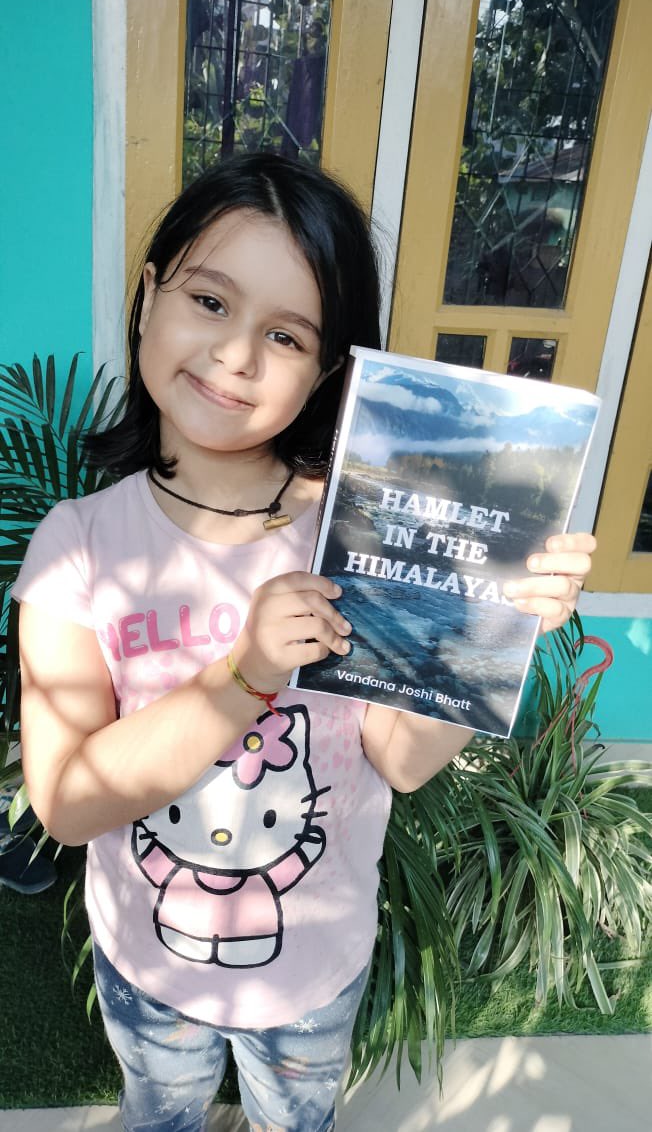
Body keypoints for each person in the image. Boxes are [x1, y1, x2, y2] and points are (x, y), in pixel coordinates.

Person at [13, 153, 596, 1132]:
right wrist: (245, 673)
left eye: (285, 334)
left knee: (296, 1120)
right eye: (209, 300)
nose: (236, 355)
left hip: (312, 970)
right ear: (149, 295)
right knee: (162, 1111)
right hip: (148, 960)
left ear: (328, 370)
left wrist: (495, 629)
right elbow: (69, 803)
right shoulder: (78, 546)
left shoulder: (360, 530)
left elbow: (399, 759)